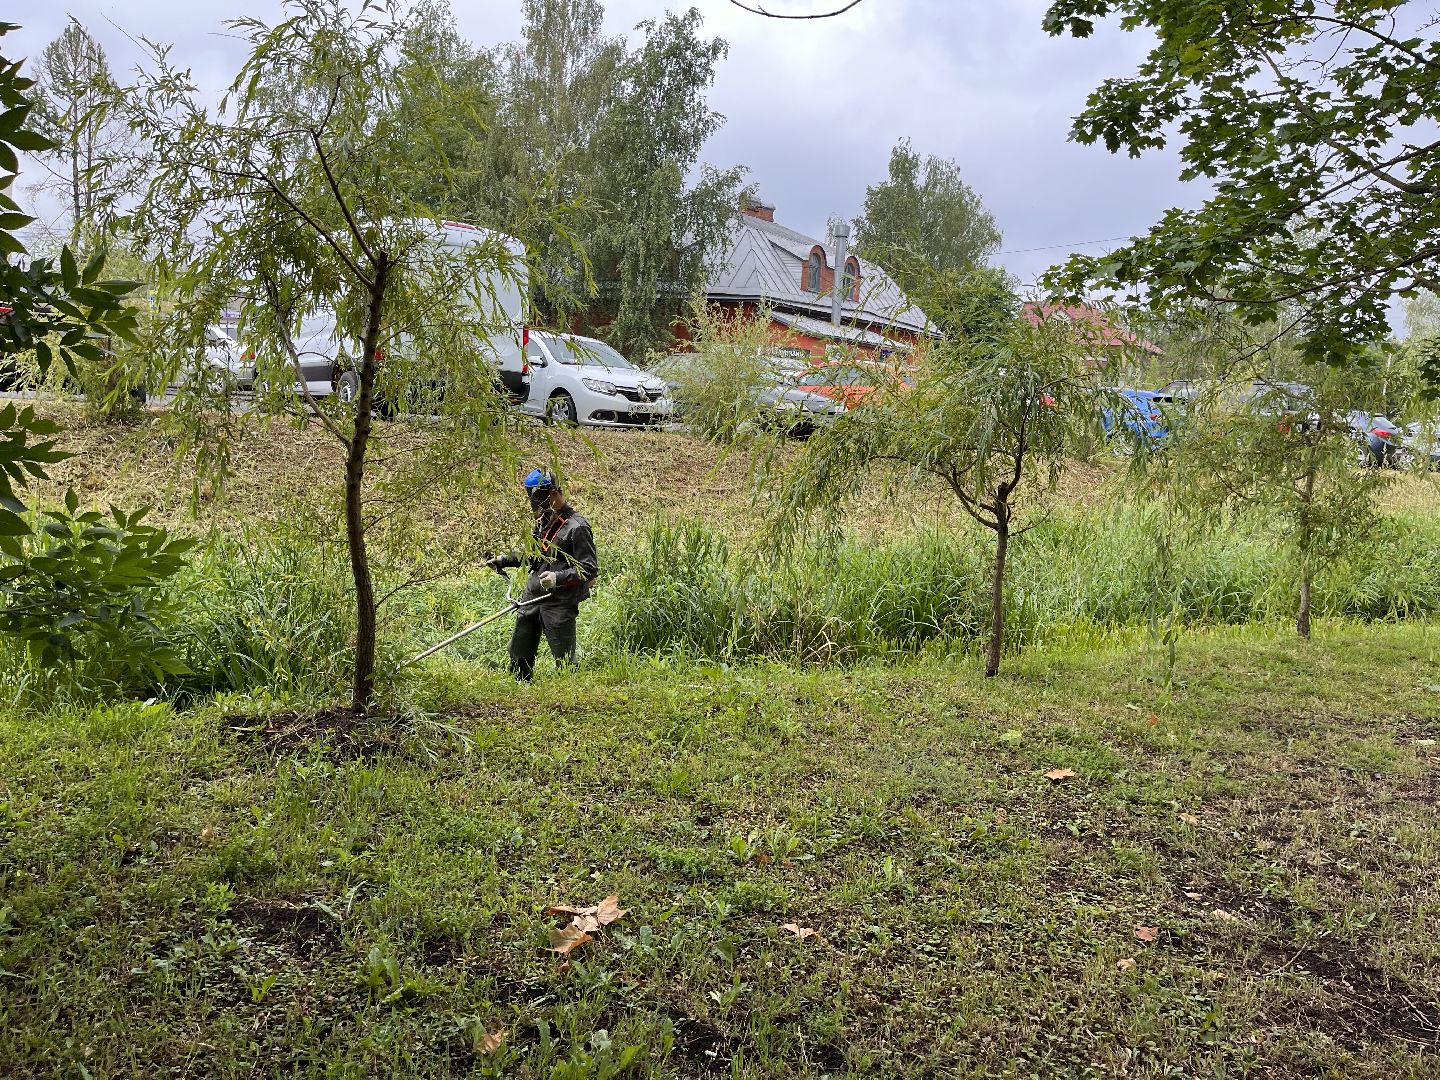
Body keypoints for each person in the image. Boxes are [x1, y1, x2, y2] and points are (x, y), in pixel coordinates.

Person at [487, 468, 599, 680]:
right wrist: (504, 560)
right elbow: (533, 555)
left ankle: (568, 696)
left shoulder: (578, 527)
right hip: (533, 595)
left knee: (564, 660)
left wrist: (557, 578)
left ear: (555, 494)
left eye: (542, 502)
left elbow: (588, 568)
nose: (540, 509)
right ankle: (520, 687)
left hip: (559, 601)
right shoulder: (543, 523)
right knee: (519, 651)